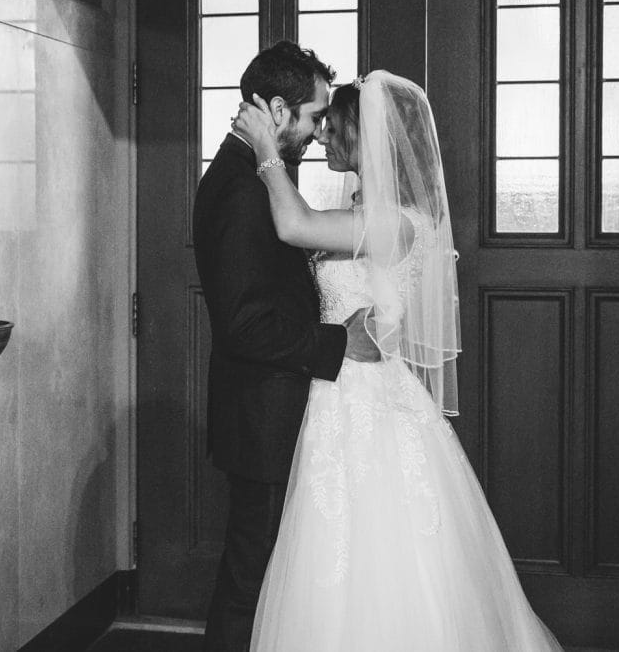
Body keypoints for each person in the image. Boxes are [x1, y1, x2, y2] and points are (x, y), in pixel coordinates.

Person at [232, 70, 564, 652]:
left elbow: (294, 225)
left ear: (367, 140)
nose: (323, 137)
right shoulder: (367, 213)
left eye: (334, 128)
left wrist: (265, 149)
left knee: (381, 549)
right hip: (337, 388)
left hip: (366, 397)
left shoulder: (397, 222)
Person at [194, 41, 380, 652]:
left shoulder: (254, 176)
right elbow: (245, 325)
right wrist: (337, 342)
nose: (320, 130)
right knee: (250, 579)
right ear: (277, 112)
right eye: (314, 116)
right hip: (262, 419)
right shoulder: (240, 189)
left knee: (271, 576)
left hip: (279, 412)